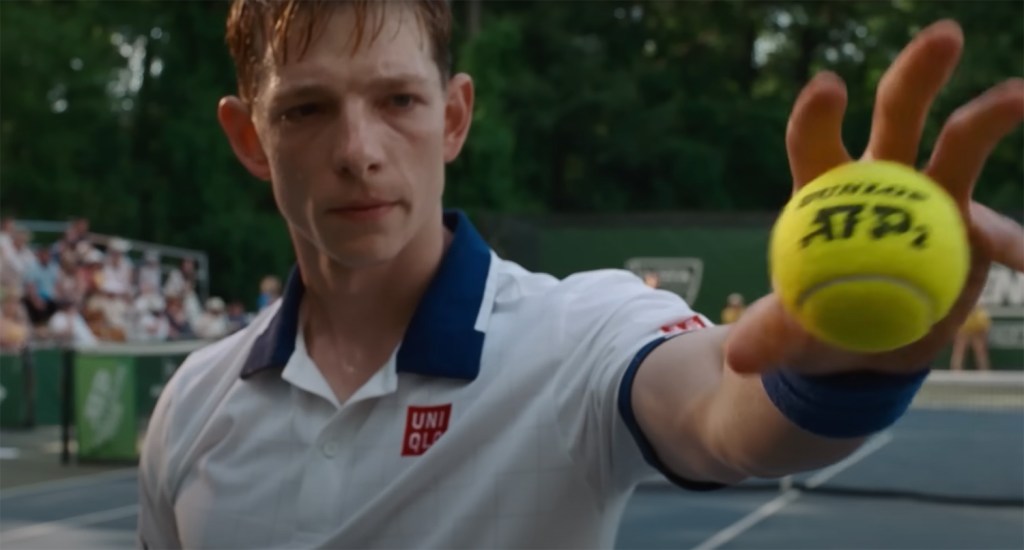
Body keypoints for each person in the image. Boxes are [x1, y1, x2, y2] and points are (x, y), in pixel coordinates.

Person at [137, 3, 1024, 549]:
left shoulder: (580, 333)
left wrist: (851, 364)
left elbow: (722, 415)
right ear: (250, 139)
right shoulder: (191, 406)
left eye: (397, 100)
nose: (359, 152)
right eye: (306, 108)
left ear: (453, 119)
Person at [950, 303, 992, 371]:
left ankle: (984, 371)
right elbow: (955, 328)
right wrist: (956, 337)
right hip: (963, 332)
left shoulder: (982, 315)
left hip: (976, 333)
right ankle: (956, 370)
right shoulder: (961, 315)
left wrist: (983, 340)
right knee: (959, 348)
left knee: (980, 349)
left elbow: (984, 331)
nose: (972, 309)